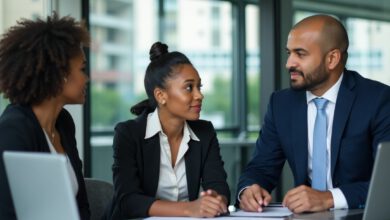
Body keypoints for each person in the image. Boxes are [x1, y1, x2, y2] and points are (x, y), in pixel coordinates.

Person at [237, 14, 390, 214]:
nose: (289, 63)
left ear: (332, 59)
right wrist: (249, 190)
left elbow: (386, 184)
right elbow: (261, 168)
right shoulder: (281, 104)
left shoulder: (378, 100)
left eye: (300, 54)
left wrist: (328, 198)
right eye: (289, 53)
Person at [104, 42, 230, 219]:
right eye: (189, 87)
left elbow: (219, 187)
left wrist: (215, 200)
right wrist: (189, 209)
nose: (199, 95)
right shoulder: (129, 134)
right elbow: (128, 201)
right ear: (161, 96)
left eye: (199, 87)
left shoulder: (205, 132)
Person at [0, 12, 91, 220]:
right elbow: (7, 213)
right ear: (60, 74)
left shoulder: (64, 123)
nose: (87, 78)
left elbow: (81, 206)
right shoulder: (13, 131)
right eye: (82, 69)